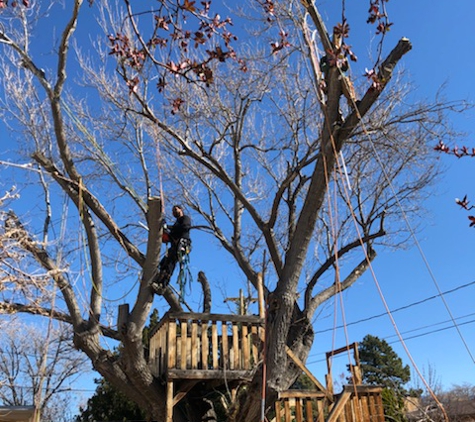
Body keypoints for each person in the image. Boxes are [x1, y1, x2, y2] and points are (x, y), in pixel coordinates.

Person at [152, 204, 191, 290]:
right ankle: (159, 279)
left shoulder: (185, 219)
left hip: (181, 245)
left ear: (181, 209)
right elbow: (170, 236)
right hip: (174, 247)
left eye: (175, 209)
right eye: (173, 211)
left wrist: (168, 229)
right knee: (163, 263)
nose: (174, 212)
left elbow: (184, 228)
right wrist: (165, 229)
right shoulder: (176, 224)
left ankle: (163, 285)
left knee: (170, 264)